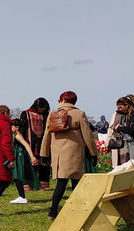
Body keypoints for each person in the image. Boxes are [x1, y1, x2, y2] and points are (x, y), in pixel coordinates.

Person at [40, 90, 98, 221]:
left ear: (62, 101)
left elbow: (46, 135)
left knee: (61, 182)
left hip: (58, 154)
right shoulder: (79, 114)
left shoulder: (52, 115)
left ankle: (53, 211)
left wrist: (44, 153)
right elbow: (87, 135)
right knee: (76, 182)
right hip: (74, 152)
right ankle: (80, 210)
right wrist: (93, 153)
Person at [19, 98, 51, 189]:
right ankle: (29, 185)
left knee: (44, 165)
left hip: (43, 143)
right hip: (30, 143)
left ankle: (43, 185)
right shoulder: (25, 114)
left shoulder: (45, 115)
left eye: (45, 108)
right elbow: (22, 128)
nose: (43, 110)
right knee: (29, 165)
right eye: (41, 107)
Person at [8, 116, 40, 204]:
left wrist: (32, 157)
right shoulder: (17, 136)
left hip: (19, 156)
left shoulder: (18, 136)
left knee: (17, 176)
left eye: (12, 126)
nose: (10, 128)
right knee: (16, 176)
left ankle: (22, 197)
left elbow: (26, 145)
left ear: (17, 127)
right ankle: (21, 196)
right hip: (19, 155)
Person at [110, 95, 134, 162]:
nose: (119, 109)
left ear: (127, 105)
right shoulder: (129, 114)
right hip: (133, 142)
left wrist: (119, 128)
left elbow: (132, 130)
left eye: (120, 107)